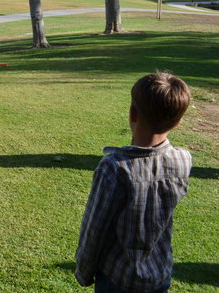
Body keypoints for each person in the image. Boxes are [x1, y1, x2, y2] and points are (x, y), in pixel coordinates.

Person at [75, 72, 192, 293]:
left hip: (117, 279)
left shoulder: (114, 168)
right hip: (160, 274)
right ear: (178, 123)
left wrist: (84, 271)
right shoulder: (183, 159)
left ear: (132, 113)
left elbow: (95, 229)